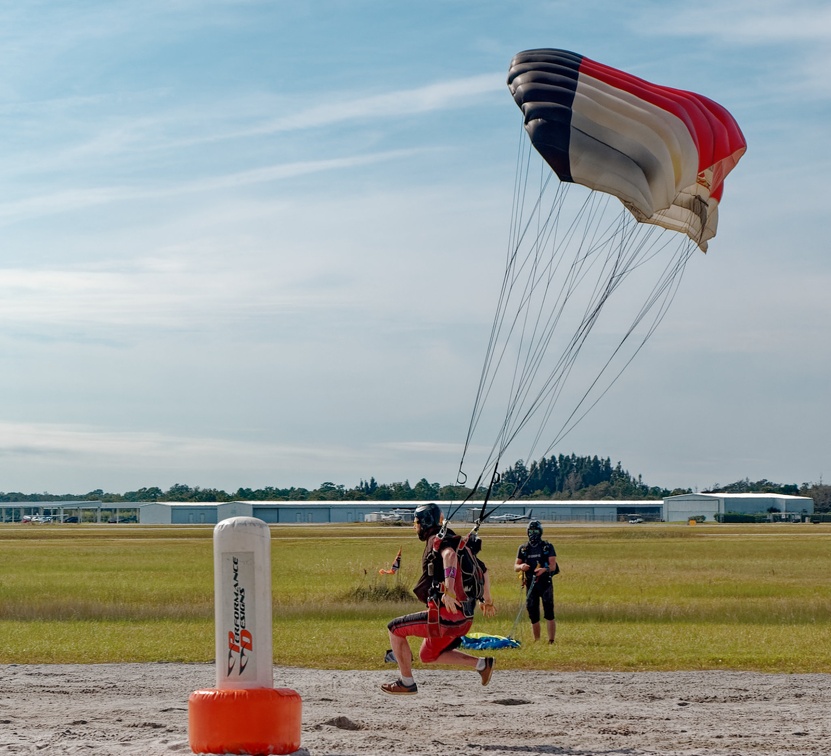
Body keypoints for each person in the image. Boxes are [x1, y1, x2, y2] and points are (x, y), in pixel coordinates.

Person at [381, 502, 497, 695]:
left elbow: (449, 556)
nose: (415, 527)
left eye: (416, 522)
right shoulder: (457, 541)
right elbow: (483, 570)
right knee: (427, 655)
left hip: (445, 619)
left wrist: (449, 590)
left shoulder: (439, 540)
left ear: (425, 523)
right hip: (464, 620)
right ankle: (482, 665)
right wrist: (487, 600)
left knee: (395, 629)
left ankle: (406, 682)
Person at [514, 520, 558, 644]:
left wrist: (544, 570)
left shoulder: (547, 547)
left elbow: (553, 566)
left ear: (540, 532)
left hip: (545, 583)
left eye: (536, 531)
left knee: (549, 612)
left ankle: (551, 640)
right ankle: (537, 640)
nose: (533, 534)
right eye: (531, 531)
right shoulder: (523, 548)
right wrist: (521, 566)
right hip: (530, 583)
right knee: (533, 613)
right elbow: (515, 566)